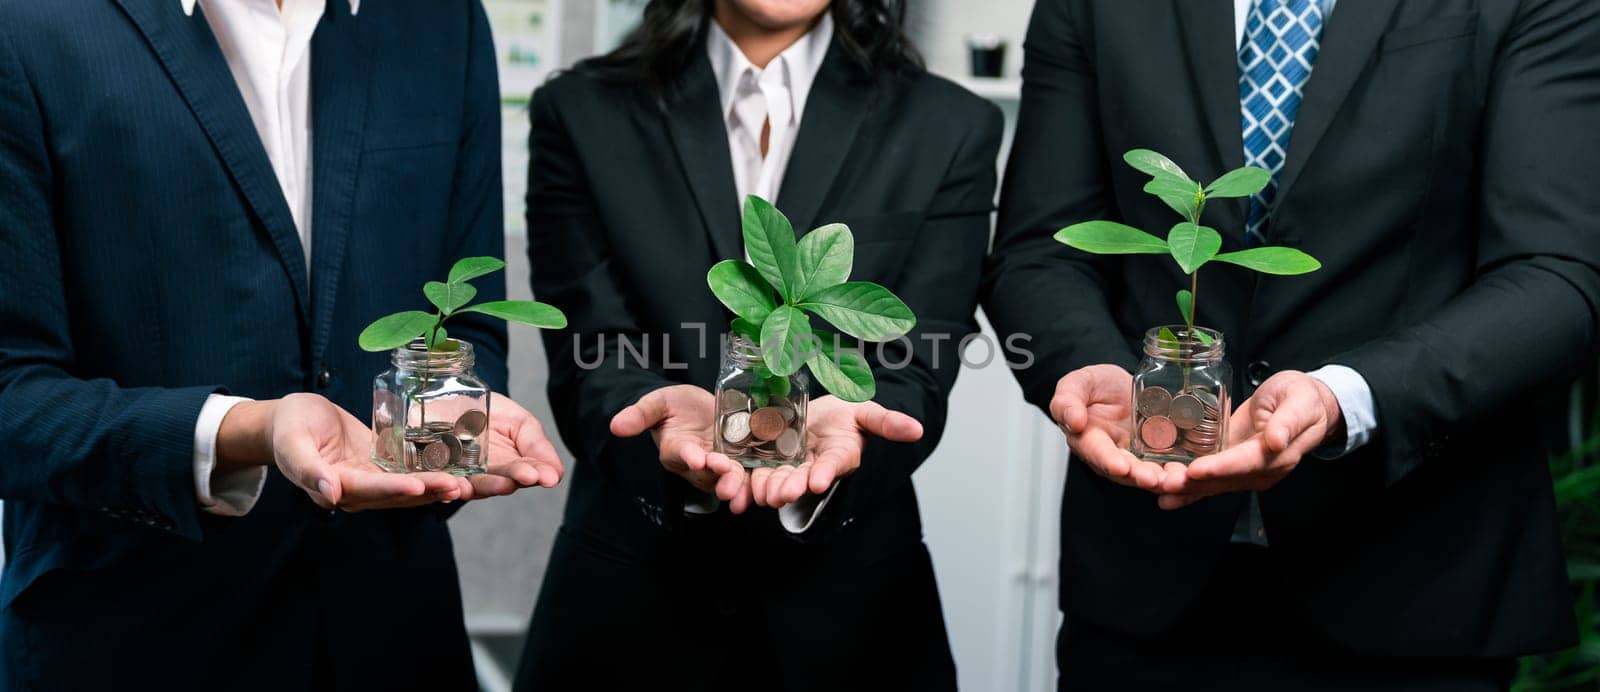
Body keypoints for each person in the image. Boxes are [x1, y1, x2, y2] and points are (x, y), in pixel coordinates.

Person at [984, 0, 1600, 689]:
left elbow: (1554, 276)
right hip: (1146, 583)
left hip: (1416, 586)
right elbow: (1040, 250)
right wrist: (1089, 365)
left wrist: (1343, 396)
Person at [0, 1, 563, 688]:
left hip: (395, 639)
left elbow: (465, 323)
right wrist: (245, 429)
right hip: (131, 640)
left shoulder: (443, 19)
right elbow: (11, 395)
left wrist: (440, 430)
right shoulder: (26, 24)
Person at [516, 0, 1002, 689]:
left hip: (854, 624)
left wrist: (846, 444)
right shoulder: (580, 111)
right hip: (628, 616)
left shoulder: (949, 125)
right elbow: (589, 351)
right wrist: (659, 416)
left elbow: (917, 364)